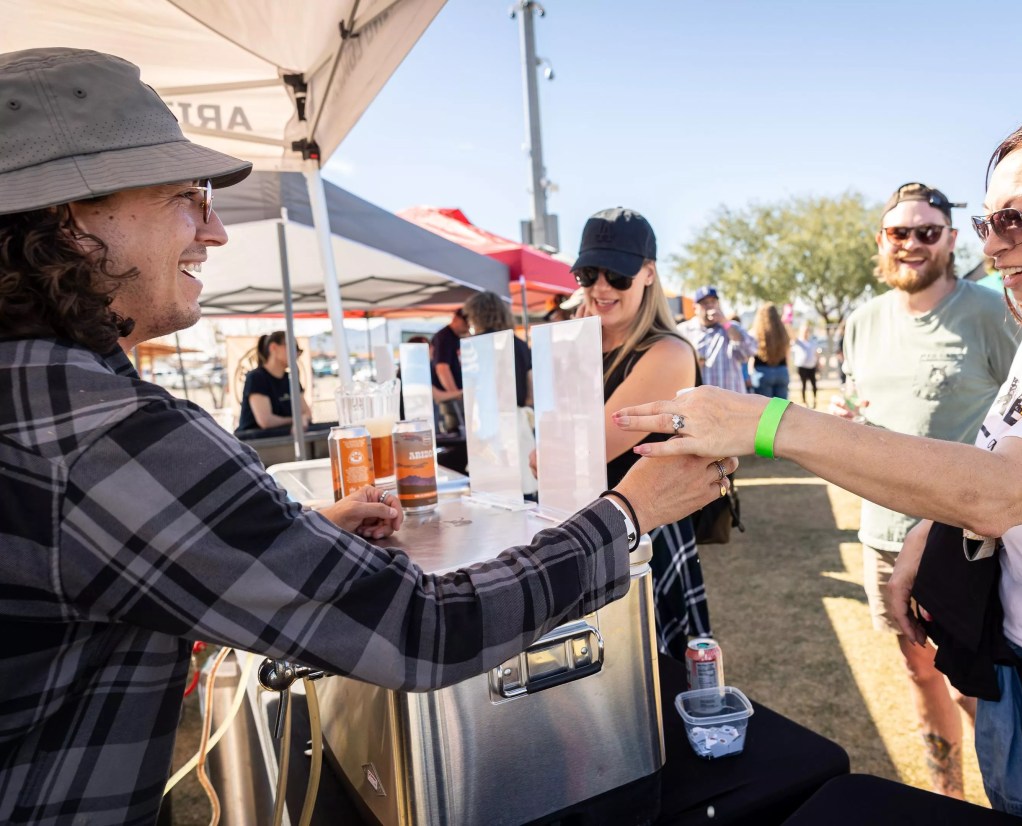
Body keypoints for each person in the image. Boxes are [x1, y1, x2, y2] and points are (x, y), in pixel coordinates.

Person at [0, 47, 738, 825]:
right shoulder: (101, 434)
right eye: (187, 195)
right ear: (69, 220)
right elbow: (422, 628)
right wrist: (624, 518)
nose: (214, 229)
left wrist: (295, 534)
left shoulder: (48, 403)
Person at [614, 97, 1022, 823]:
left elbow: (1000, 491)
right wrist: (927, 531)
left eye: (1014, 219)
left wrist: (768, 422)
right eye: (986, 222)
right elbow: (997, 448)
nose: (992, 245)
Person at [834, 181, 1021, 798]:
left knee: (974, 686)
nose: (912, 243)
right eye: (899, 232)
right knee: (919, 674)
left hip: (961, 540)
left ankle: (1012, 799)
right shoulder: (862, 322)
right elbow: (866, 416)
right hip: (881, 535)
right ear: (882, 240)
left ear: (949, 240)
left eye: (926, 232)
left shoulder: (991, 313)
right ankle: (950, 799)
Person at [572, 207, 712, 658]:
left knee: (645, 677)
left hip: (641, 534)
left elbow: (580, 447)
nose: (600, 287)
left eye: (617, 274)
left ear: (649, 274)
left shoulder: (667, 352)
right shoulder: (586, 343)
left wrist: (568, 352)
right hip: (588, 524)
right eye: (589, 273)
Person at [234, 330, 317, 438]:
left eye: (298, 350)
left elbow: (307, 413)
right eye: (292, 347)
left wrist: (303, 418)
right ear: (273, 348)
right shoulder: (256, 378)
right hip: (257, 444)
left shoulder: (290, 379)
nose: (296, 354)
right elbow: (265, 421)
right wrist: (297, 420)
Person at [678, 286, 757, 394]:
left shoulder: (732, 327)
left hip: (731, 400)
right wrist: (693, 363)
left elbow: (749, 352)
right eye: (705, 303)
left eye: (713, 302)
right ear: (695, 308)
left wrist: (725, 323)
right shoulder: (683, 331)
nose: (710, 306)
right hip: (698, 402)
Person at [461, 290, 533, 407]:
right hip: (516, 411)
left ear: (476, 315)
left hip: (488, 411)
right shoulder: (519, 344)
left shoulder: (476, 344)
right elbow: (530, 381)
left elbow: (472, 385)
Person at [430, 307, 469, 432]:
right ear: (456, 319)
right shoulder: (444, 337)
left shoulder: (456, 337)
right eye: (465, 323)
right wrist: (456, 394)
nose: (468, 327)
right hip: (449, 401)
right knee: (456, 433)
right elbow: (442, 368)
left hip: (453, 397)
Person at [749, 302, 792, 399]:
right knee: (781, 410)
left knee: (765, 410)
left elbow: (750, 353)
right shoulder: (783, 332)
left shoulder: (755, 332)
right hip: (782, 371)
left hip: (763, 372)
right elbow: (788, 353)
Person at [791, 323, 820, 407]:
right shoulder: (798, 341)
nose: (806, 332)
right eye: (804, 331)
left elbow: (816, 353)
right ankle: (804, 401)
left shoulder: (812, 342)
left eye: (807, 331)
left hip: (811, 367)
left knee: (814, 384)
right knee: (803, 385)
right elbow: (791, 334)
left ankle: (814, 400)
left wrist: (818, 362)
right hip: (802, 367)